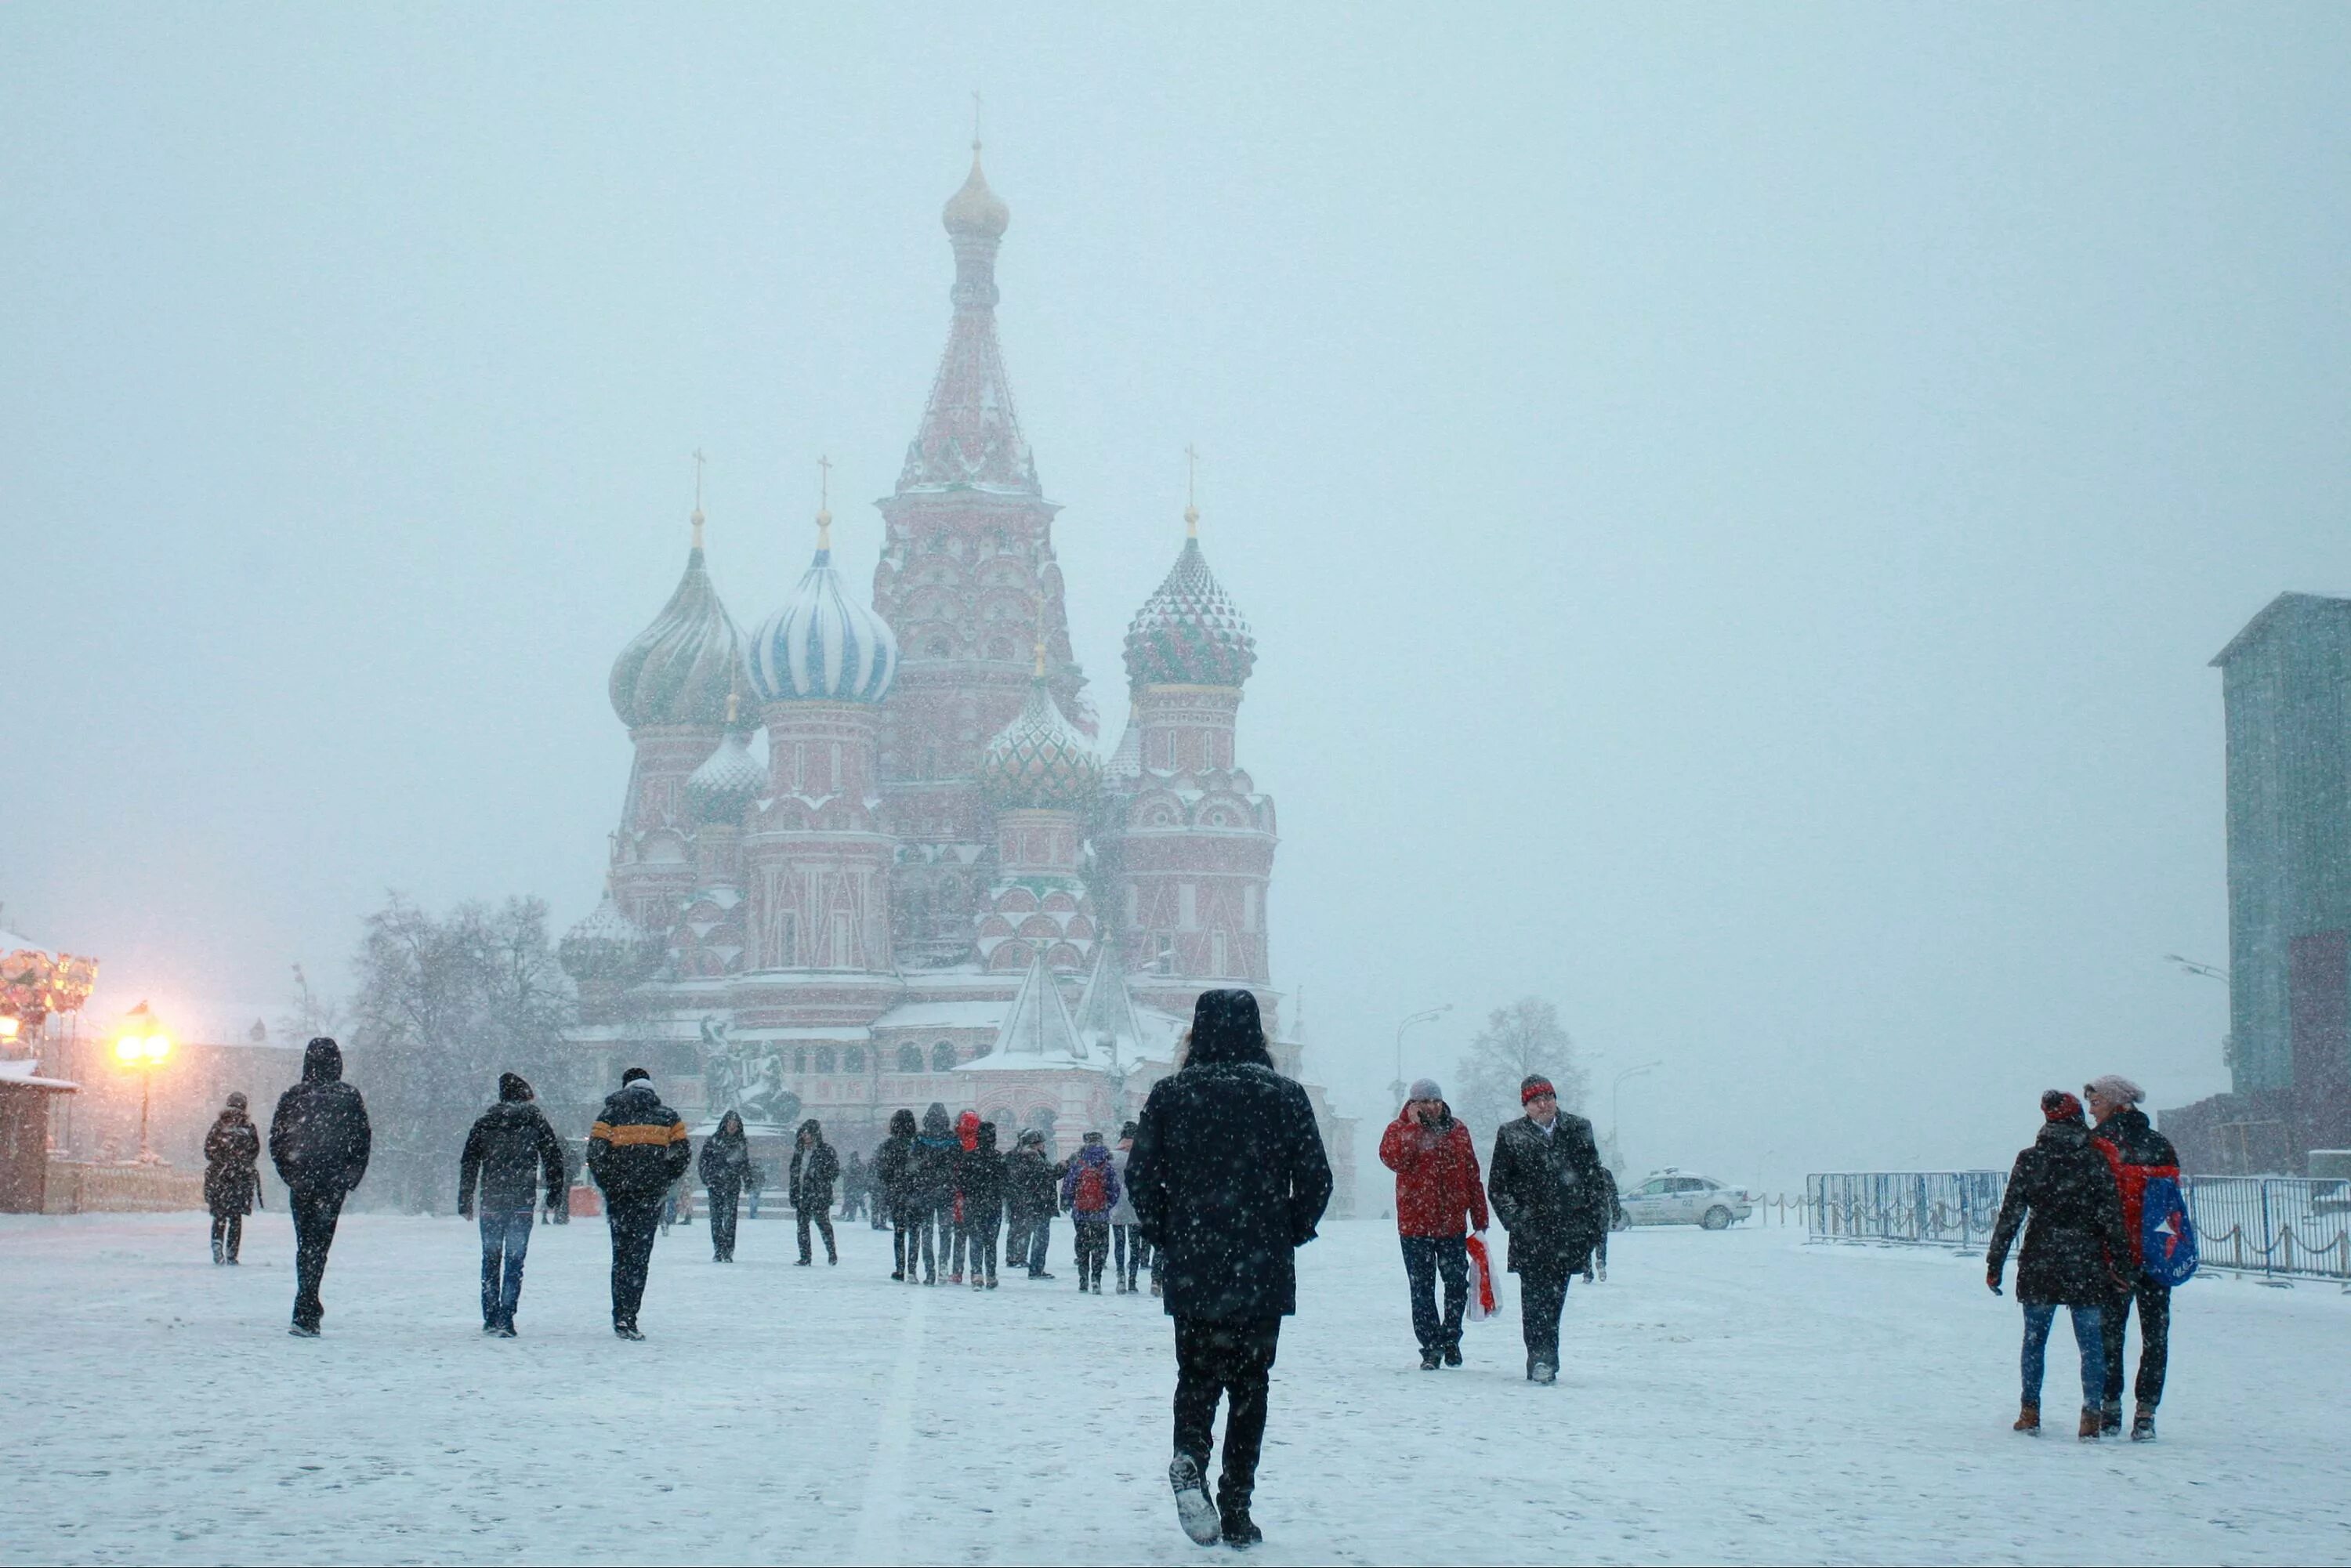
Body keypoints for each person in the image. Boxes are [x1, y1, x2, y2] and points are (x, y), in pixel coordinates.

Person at [1130, 988, 1333, 1549]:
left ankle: (1189, 1455)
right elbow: (1317, 1178)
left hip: (1195, 1261)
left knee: (1195, 1376)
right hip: (1261, 1263)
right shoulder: (1284, 1095)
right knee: (1251, 1385)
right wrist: (1285, 1228)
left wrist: (1169, 1230)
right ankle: (1237, 1504)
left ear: (1196, 1034)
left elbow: (1141, 1177)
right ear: (1256, 1035)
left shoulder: (1171, 1094)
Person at [1987, 1090, 2131, 1441]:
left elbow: (2012, 1215)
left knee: (2035, 1339)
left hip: (2041, 1257)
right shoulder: (2095, 1161)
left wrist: (1996, 1261)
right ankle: (2090, 1415)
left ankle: (2030, 1411)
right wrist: (2123, 1264)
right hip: (2085, 1260)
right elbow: (2112, 1216)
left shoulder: (2030, 1160)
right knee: (2090, 1342)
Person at [1485, 1074, 1608, 1385]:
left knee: (1554, 1300)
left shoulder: (1578, 1129)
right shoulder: (1511, 1135)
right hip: (1531, 1234)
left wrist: (1593, 1224)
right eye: (1536, 1100)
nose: (1544, 1104)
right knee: (1534, 1301)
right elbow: (1498, 1186)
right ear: (1526, 1106)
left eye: (1548, 1097)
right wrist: (1516, 1219)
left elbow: (1593, 1179)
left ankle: (1546, 1355)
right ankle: (1541, 1358)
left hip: (1568, 1232)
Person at [2086, 1074, 2179, 1441]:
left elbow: (2096, 1202)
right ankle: (2147, 1413)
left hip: (2115, 1256)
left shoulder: (2100, 1144)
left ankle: (2110, 1408)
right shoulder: (2160, 1143)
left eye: (2096, 1102)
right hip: (2159, 1253)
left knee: (2111, 1334)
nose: (2091, 1111)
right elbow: (2172, 1200)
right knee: (2156, 1335)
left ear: (2115, 1103)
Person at [1378, 1078, 1490, 1370]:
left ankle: (1451, 1337)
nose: (1432, 1106)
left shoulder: (1458, 1130)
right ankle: (1430, 1347)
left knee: (1456, 1284)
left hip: (1452, 1223)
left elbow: (1471, 1173)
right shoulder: (1398, 1130)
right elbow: (1394, 1160)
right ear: (1413, 1104)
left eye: (1436, 1101)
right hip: (1415, 1226)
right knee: (1422, 1289)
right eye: (1425, 1101)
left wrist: (1480, 1216)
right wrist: (1414, 1129)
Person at [268, 1037, 372, 1338]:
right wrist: (350, 1176)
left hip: (303, 1180)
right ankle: (307, 1306)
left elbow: (277, 1140)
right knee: (320, 1244)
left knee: (305, 1242)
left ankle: (306, 1306)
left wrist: (290, 1173)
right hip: (332, 1183)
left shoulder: (293, 1097)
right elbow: (362, 1139)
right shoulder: (349, 1097)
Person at [456, 1071, 568, 1336]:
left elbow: (469, 1160)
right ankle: (507, 1316)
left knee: (490, 1258)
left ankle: (490, 1314)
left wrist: (465, 1197)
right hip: (522, 1200)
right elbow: (553, 1156)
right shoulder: (535, 1120)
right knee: (515, 1260)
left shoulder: (486, 1122)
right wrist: (554, 1192)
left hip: (492, 1200)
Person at [586, 1066, 691, 1340]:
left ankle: (619, 1314)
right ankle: (631, 1315)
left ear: (625, 1087)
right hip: (649, 1198)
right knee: (640, 1258)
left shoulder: (609, 1116)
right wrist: (663, 1179)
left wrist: (610, 1184)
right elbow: (682, 1154)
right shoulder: (668, 1117)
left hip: (620, 1198)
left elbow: (595, 1155)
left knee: (621, 1256)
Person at [203, 1092, 263, 1266]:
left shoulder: (218, 1126)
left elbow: (208, 1151)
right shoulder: (249, 1128)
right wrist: (241, 1161)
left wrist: (222, 1160)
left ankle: (217, 1241)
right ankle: (232, 1253)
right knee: (236, 1217)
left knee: (219, 1214)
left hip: (219, 1176)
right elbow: (255, 1151)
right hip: (241, 1178)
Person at [1063, 1129, 1121, 1293]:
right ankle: (1096, 1279)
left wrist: (1069, 1200)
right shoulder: (1106, 1165)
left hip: (1080, 1211)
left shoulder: (1079, 1163)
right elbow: (1114, 1189)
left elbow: (1069, 1185)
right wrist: (1107, 1205)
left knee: (1082, 1242)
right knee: (1100, 1245)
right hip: (1100, 1212)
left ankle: (1083, 1278)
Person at [910, 1103, 958, 1285]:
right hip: (946, 1190)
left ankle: (929, 1271)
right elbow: (959, 1164)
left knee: (927, 1232)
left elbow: (913, 1165)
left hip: (925, 1190)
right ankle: (943, 1266)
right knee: (946, 1231)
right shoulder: (953, 1139)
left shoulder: (920, 1139)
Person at [955, 1120, 1006, 1289]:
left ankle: (976, 1275)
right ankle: (991, 1275)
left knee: (976, 1240)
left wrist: (970, 1193)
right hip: (993, 1204)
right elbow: (1005, 1182)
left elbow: (960, 1181)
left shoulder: (969, 1157)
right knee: (991, 1241)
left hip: (973, 1203)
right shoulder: (999, 1158)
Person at [1005, 1128, 1058, 1280]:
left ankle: (1015, 1257)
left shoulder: (1016, 1156)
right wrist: (1063, 1167)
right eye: (1042, 1143)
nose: (1044, 1146)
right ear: (1036, 1144)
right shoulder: (1033, 1158)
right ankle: (1035, 1269)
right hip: (1038, 1203)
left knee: (1019, 1229)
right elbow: (1048, 1176)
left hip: (1025, 1201)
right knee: (1040, 1236)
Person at [700, 1110, 752, 1263]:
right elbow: (703, 1162)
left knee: (730, 1219)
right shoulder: (713, 1140)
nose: (732, 1127)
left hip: (732, 1184)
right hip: (715, 1184)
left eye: (735, 1124)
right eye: (730, 1124)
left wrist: (747, 1180)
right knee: (716, 1218)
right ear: (725, 1124)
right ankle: (718, 1249)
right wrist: (707, 1178)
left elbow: (744, 1163)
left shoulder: (740, 1143)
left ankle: (728, 1250)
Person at [875, 1108, 920, 1281]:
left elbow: (882, 1171)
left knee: (899, 1232)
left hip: (897, 1192)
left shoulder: (888, 1145)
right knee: (915, 1232)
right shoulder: (917, 1144)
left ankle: (900, 1268)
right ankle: (912, 1269)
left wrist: (892, 1183)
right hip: (916, 1193)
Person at [790, 1117, 841, 1266]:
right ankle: (805, 1256)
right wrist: (793, 1192)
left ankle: (832, 1253)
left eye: (808, 1133)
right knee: (802, 1226)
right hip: (802, 1194)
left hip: (819, 1193)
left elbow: (834, 1172)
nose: (805, 1136)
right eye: (803, 1133)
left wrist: (820, 1175)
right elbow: (794, 1173)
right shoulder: (799, 1151)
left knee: (823, 1225)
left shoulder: (826, 1150)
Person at [1110, 1121, 1145, 1293]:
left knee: (1119, 1243)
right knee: (1134, 1244)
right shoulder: (1141, 1156)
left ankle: (1120, 1277)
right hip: (1136, 1205)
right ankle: (1132, 1280)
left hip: (1116, 1204)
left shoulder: (1112, 1156)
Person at [948, 1110, 982, 1282]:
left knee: (959, 1236)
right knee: (976, 1236)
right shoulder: (980, 1144)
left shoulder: (955, 1143)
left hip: (958, 1196)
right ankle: (977, 1271)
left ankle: (957, 1271)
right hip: (976, 1195)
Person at [1586, 1166, 1623, 1284]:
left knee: (1585, 1243)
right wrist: (1616, 1215)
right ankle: (1601, 1260)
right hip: (1602, 1211)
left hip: (1586, 1212)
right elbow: (1613, 1195)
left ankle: (1587, 1272)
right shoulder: (1605, 1173)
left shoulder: (1582, 1171)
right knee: (1601, 1240)